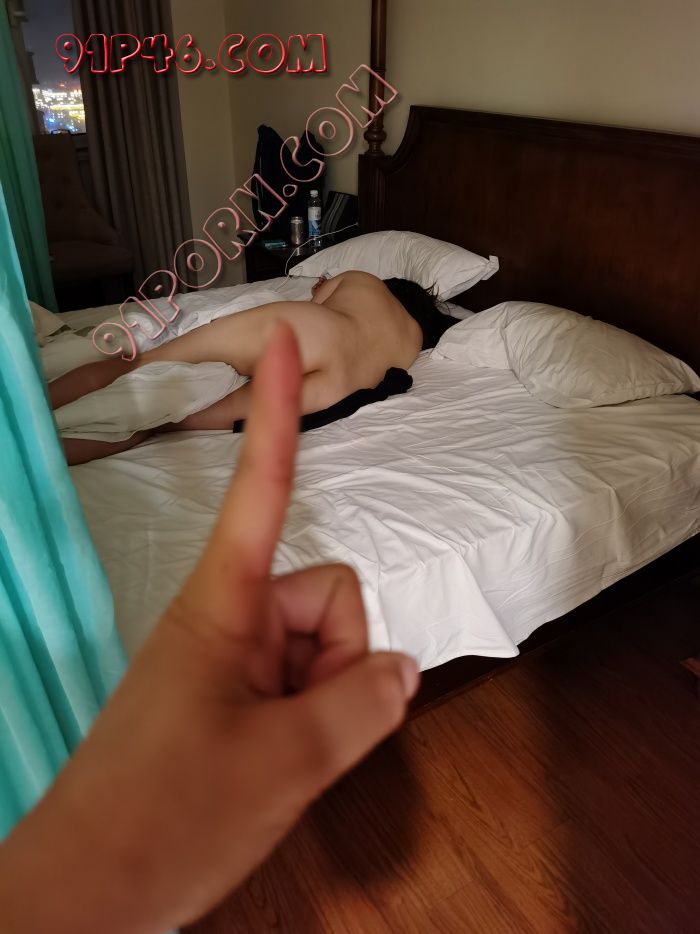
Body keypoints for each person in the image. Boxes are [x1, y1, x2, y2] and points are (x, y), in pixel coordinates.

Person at [0, 323, 421, 934]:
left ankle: (31, 419)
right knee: (160, 415)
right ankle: (59, 429)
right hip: (322, 366)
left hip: (281, 340)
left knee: (138, 372)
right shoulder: (400, 338)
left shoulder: (353, 286)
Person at [49, 272, 459, 464]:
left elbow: (317, 301)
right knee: (159, 426)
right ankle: (38, 458)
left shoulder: (365, 279)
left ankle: (32, 410)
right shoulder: (414, 339)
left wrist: (322, 289)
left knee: (135, 364)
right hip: (335, 387)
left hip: (308, 333)